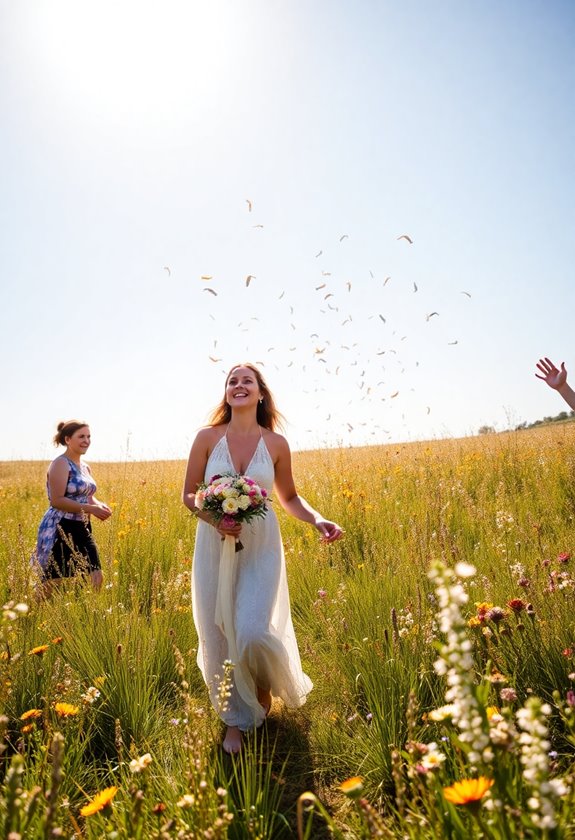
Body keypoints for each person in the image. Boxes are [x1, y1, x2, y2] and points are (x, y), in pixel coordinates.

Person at [182, 363, 344, 754]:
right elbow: (189, 494)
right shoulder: (207, 438)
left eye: (247, 381)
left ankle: (261, 689)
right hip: (214, 544)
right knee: (219, 631)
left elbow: (287, 497)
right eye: (232, 381)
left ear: (260, 393)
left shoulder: (275, 444)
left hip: (261, 546)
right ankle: (236, 719)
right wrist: (216, 518)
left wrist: (317, 518)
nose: (239, 385)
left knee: (252, 628)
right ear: (226, 394)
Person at [32, 421, 112, 597]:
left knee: (96, 577)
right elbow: (57, 500)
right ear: (67, 439)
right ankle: (32, 614)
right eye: (81, 436)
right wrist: (90, 509)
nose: (86, 440)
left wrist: (99, 505)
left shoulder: (85, 467)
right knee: (52, 581)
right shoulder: (60, 464)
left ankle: (89, 615)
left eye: (88, 436)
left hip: (83, 528)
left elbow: (88, 496)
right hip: (62, 526)